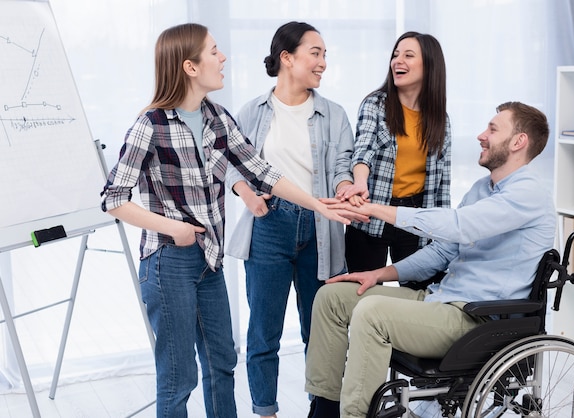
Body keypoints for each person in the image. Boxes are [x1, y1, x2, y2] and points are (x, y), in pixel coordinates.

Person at [99, 23, 357, 418]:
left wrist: (317, 205)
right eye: (214, 51)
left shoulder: (218, 118)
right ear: (189, 66)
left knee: (222, 363)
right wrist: (173, 228)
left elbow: (261, 171)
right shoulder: (150, 125)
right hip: (168, 262)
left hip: (209, 261)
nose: (223, 58)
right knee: (179, 375)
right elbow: (113, 199)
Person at [305, 101, 556, 418]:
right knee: (332, 298)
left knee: (372, 312)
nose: (481, 135)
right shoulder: (482, 189)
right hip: (442, 299)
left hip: (478, 318)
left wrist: (376, 209)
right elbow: (442, 250)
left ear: (518, 142)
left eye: (492, 129)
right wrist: (378, 274)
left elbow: (460, 226)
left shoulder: (528, 193)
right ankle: (325, 410)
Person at [225, 21, 354, 418]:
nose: (323, 63)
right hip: (269, 226)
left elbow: (342, 165)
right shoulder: (252, 112)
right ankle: (266, 411)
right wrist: (248, 195)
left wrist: (346, 184)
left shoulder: (333, 114)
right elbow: (230, 165)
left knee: (321, 331)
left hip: (321, 229)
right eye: (315, 52)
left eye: (325, 55)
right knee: (264, 332)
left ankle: (322, 409)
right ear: (287, 57)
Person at [336, 31, 452, 273]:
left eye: (408, 55)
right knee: (361, 294)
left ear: (429, 66)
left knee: (417, 298)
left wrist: (443, 231)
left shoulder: (441, 119)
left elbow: (443, 185)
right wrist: (359, 182)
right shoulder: (376, 104)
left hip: (415, 218)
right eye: (396, 54)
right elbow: (363, 149)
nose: (397, 61)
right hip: (371, 212)